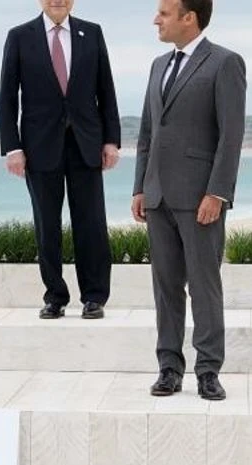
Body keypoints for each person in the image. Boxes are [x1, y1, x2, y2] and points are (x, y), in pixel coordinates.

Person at [133, 0, 246, 401]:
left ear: (189, 18)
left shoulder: (225, 63)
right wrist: (140, 187)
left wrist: (217, 192)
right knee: (165, 287)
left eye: (164, 13)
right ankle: (169, 368)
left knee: (204, 286)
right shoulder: (158, 65)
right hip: (158, 195)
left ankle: (208, 370)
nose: (156, 20)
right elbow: (148, 133)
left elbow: (231, 136)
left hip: (201, 198)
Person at [0, 0, 121, 320]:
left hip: (86, 143)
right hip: (39, 146)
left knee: (91, 223)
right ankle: (55, 296)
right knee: (47, 225)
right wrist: (12, 147)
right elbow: (8, 97)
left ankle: (94, 296)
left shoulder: (91, 33)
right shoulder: (19, 36)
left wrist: (111, 140)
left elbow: (106, 89)